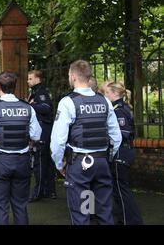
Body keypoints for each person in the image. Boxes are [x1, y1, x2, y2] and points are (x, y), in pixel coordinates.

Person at [50, 60, 122, 225]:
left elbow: (58, 140)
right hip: (101, 162)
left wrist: (59, 164)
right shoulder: (104, 101)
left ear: (74, 76)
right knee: (104, 211)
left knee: (82, 212)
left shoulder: (68, 102)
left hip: (80, 166)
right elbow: (116, 136)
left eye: (69, 75)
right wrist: (107, 157)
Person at [0, 72, 42, 225]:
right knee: (20, 206)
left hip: (1, 161)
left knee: (0, 207)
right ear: (14, 87)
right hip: (22, 161)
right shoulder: (27, 107)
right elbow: (36, 135)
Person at [105, 81, 143, 225]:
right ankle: (125, 218)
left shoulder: (119, 110)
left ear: (115, 94)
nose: (106, 95)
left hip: (121, 152)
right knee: (119, 189)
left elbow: (122, 134)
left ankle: (131, 220)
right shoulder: (122, 107)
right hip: (125, 151)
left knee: (121, 190)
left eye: (108, 93)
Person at [27, 70, 56, 201]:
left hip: (44, 130)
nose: (28, 81)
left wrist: (31, 106)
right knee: (46, 161)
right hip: (44, 130)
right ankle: (49, 190)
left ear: (38, 79)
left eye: (30, 78)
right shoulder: (35, 92)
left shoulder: (41, 93)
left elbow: (46, 108)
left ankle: (39, 192)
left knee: (40, 161)